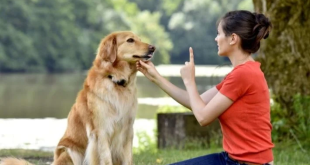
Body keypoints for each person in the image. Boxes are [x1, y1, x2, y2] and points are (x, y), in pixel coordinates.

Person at [136, 10, 274, 165]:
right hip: (231, 159)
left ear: (233, 38)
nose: (216, 39)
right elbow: (198, 103)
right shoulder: (242, 73)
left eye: (219, 33)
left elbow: (202, 117)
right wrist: (157, 78)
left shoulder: (243, 75)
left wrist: (190, 81)